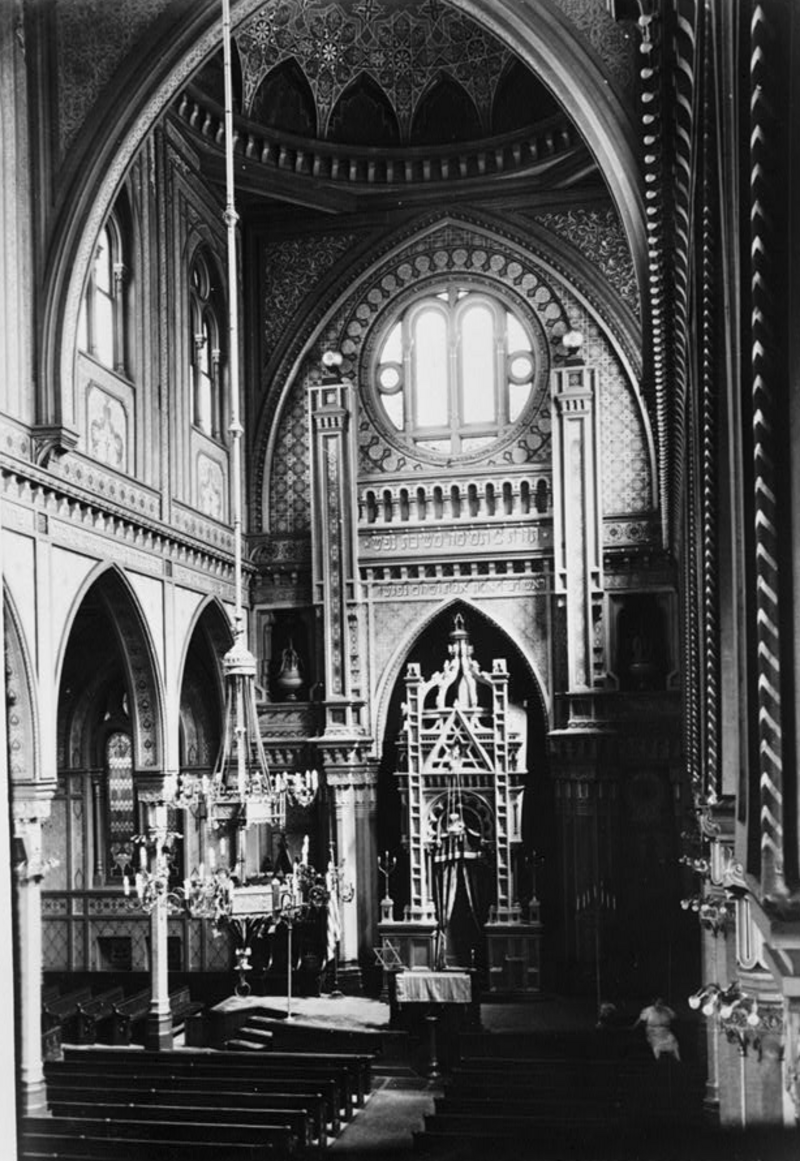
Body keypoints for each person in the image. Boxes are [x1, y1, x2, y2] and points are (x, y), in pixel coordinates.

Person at [632, 996, 681, 1061]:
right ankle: (658, 1061)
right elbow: (640, 1020)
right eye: (658, 1003)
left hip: (666, 1032)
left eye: (661, 1003)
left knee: (673, 1042)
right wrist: (634, 1027)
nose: (660, 1005)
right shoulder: (648, 1010)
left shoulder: (667, 1010)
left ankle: (678, 1061)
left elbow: (675, 1017)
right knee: (657, 1046)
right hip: (653, 1032)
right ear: (654, 1003)